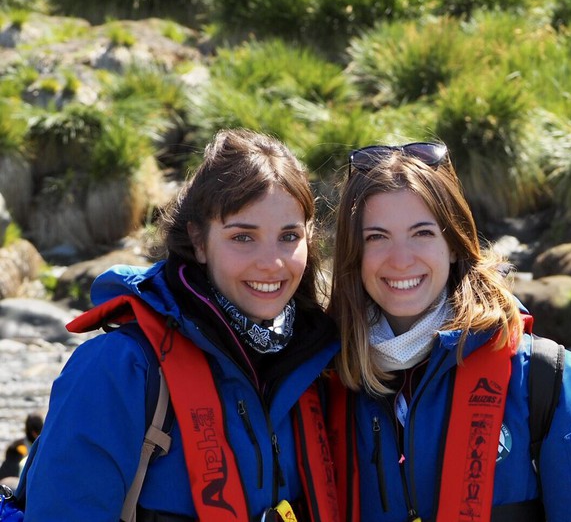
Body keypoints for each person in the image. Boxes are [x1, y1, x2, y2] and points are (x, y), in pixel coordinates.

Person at [20, 129, 339, 520]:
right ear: (199, 241)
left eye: (288, 236)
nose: (272, 263)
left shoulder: (323, 366)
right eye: (243, 237)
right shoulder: (119, 369)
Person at [327, 141, 571, 521]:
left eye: (422, 233)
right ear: (353, 253)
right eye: (377, 237)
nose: (401, 259)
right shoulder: (324, 380)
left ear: (454, 245)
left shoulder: (545, 379)